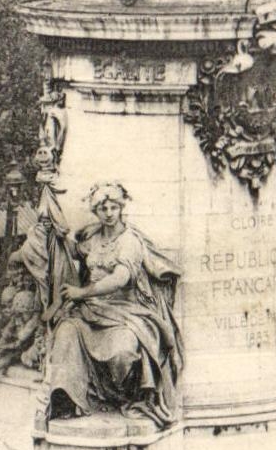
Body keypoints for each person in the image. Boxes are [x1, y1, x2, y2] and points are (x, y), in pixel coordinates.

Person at [45, 183, 183, 427]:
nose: (109, 213)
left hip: (126, 310)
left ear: (121, 208)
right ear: (96, 211)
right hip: (91, 310)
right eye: (103, 208)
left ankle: (121, 397)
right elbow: (71, 251)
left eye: (114, 207)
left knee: (122, 351)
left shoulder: (129, 241)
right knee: (66, 332)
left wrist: (82, 292)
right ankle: (69, 399)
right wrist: (54, 229)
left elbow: (120, 279)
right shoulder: (93, 238)